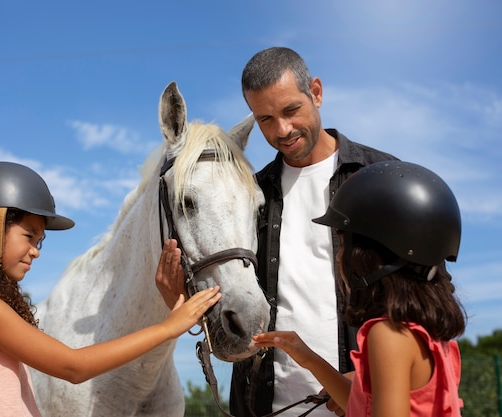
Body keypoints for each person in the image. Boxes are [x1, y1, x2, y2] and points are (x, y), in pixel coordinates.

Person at [155, 46, 398, 416]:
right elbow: (226, 281)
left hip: (365, 403)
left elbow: (423, 301)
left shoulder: (382, 177)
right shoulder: (250, 192)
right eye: (265, 118)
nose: (282, 130)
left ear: (315, 92)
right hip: (265, 404)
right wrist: (184, 295)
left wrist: (364, 376)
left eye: (290, 111)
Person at [0, 161, 221, 417]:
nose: (36, 251)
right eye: (29, 236)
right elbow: (73, 366)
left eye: (39, 242)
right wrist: (166, 328)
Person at [252, 160, 466, 416]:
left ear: (370, 257)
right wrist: (310, 360)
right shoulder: (427, 334)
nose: (339, 256)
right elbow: (364, 407)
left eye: (344, 245)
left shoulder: (388, 335)